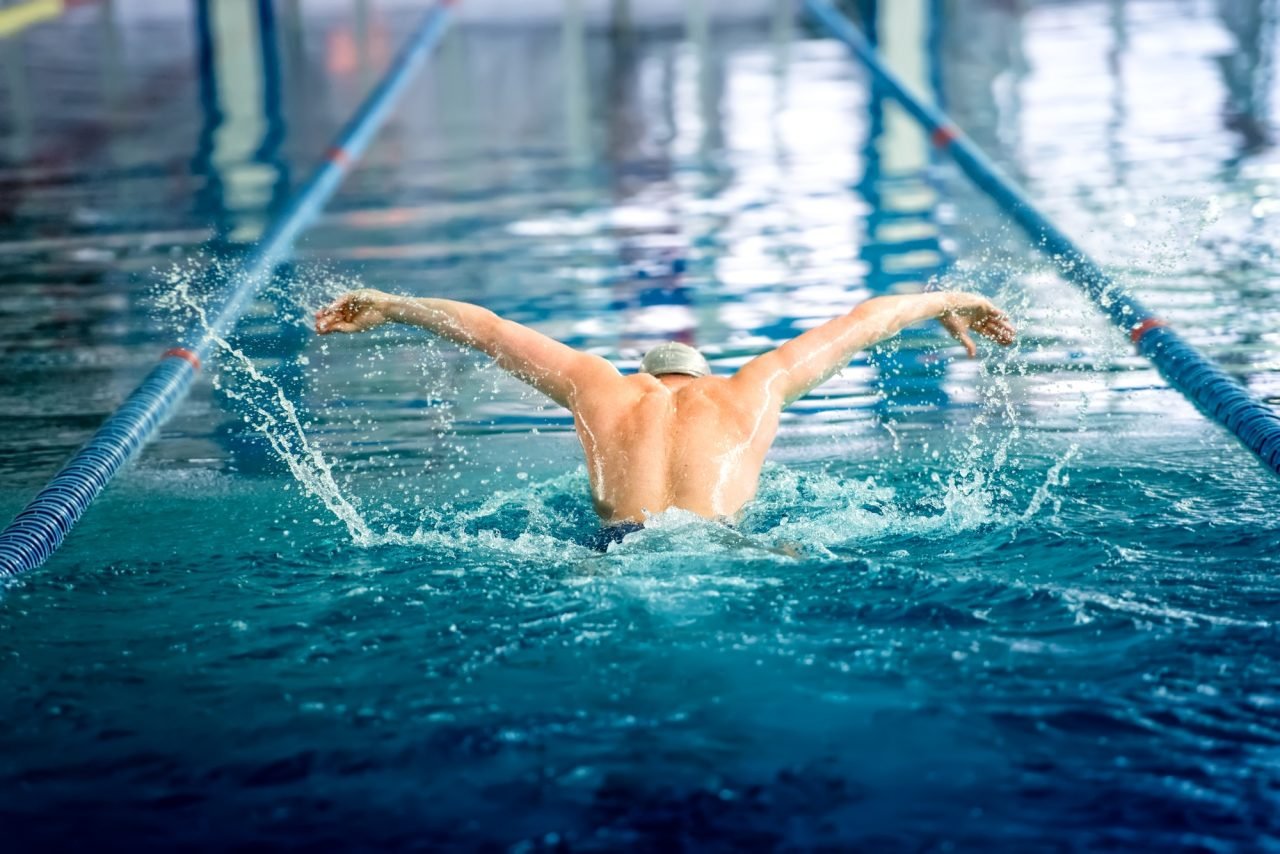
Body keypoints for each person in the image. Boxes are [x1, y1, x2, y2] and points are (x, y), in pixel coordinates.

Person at [315, 288, 1016, 549]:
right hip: (726, 548)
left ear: (646, 376)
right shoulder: (755, 387)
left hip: (614, 553)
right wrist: (951, 301)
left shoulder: (600, 388)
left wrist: (391, 307)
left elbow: (491, 331)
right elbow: (864, 323)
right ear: (701, 376)